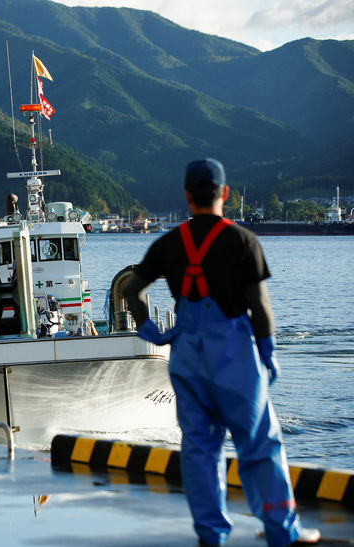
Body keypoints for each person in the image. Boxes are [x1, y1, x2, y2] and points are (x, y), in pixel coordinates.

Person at [122, 159, 319, 547]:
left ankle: (211, 535)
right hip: (234, 357)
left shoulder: (168, 243)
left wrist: (151, 331)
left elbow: (132, 290)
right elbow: (259, 305)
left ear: (187, 196)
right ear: (225, 194)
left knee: (199, 449)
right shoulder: (243, 240)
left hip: (187, 358)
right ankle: (282, 531)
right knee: (259, 443)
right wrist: (267, 351)